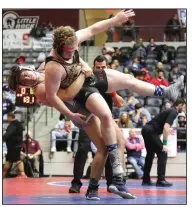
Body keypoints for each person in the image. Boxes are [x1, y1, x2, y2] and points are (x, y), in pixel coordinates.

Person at [7, 65, 136, 199]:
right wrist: (81, 75)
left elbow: (64, 48)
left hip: (89, 98)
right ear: (25, 86)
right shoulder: (39, 89)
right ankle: (93, 188)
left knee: (120, 140)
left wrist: (83, 63)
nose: (27, 78)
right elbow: (69, 93)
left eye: (25, 74)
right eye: (24, 81)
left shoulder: (45, 68)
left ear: (27, 68)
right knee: (102, 148)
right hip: (81, 110)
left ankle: (119, 181)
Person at [141, 98, 185, 186]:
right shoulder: (173, 112)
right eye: (184, 107)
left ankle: (146, 179)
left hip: (146, 129)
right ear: (179, 105)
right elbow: (166, 128)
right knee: (163, 152)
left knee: (150, 154)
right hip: (150, 131)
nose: (184, 109)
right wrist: (164, 144)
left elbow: (161, 127)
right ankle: (161, 180)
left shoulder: (170, 110)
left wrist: (159, 141)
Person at [3, 113, 26, 178]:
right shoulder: (18, 124)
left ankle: (22, 174)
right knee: (11, 159)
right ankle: (4, 173)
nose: (7, 119)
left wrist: (2, 139)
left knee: (13, 159)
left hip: (13, 145)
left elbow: (8, 133)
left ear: (10, 117)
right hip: (17, 144)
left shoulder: (13, 124)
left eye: (7, 117)